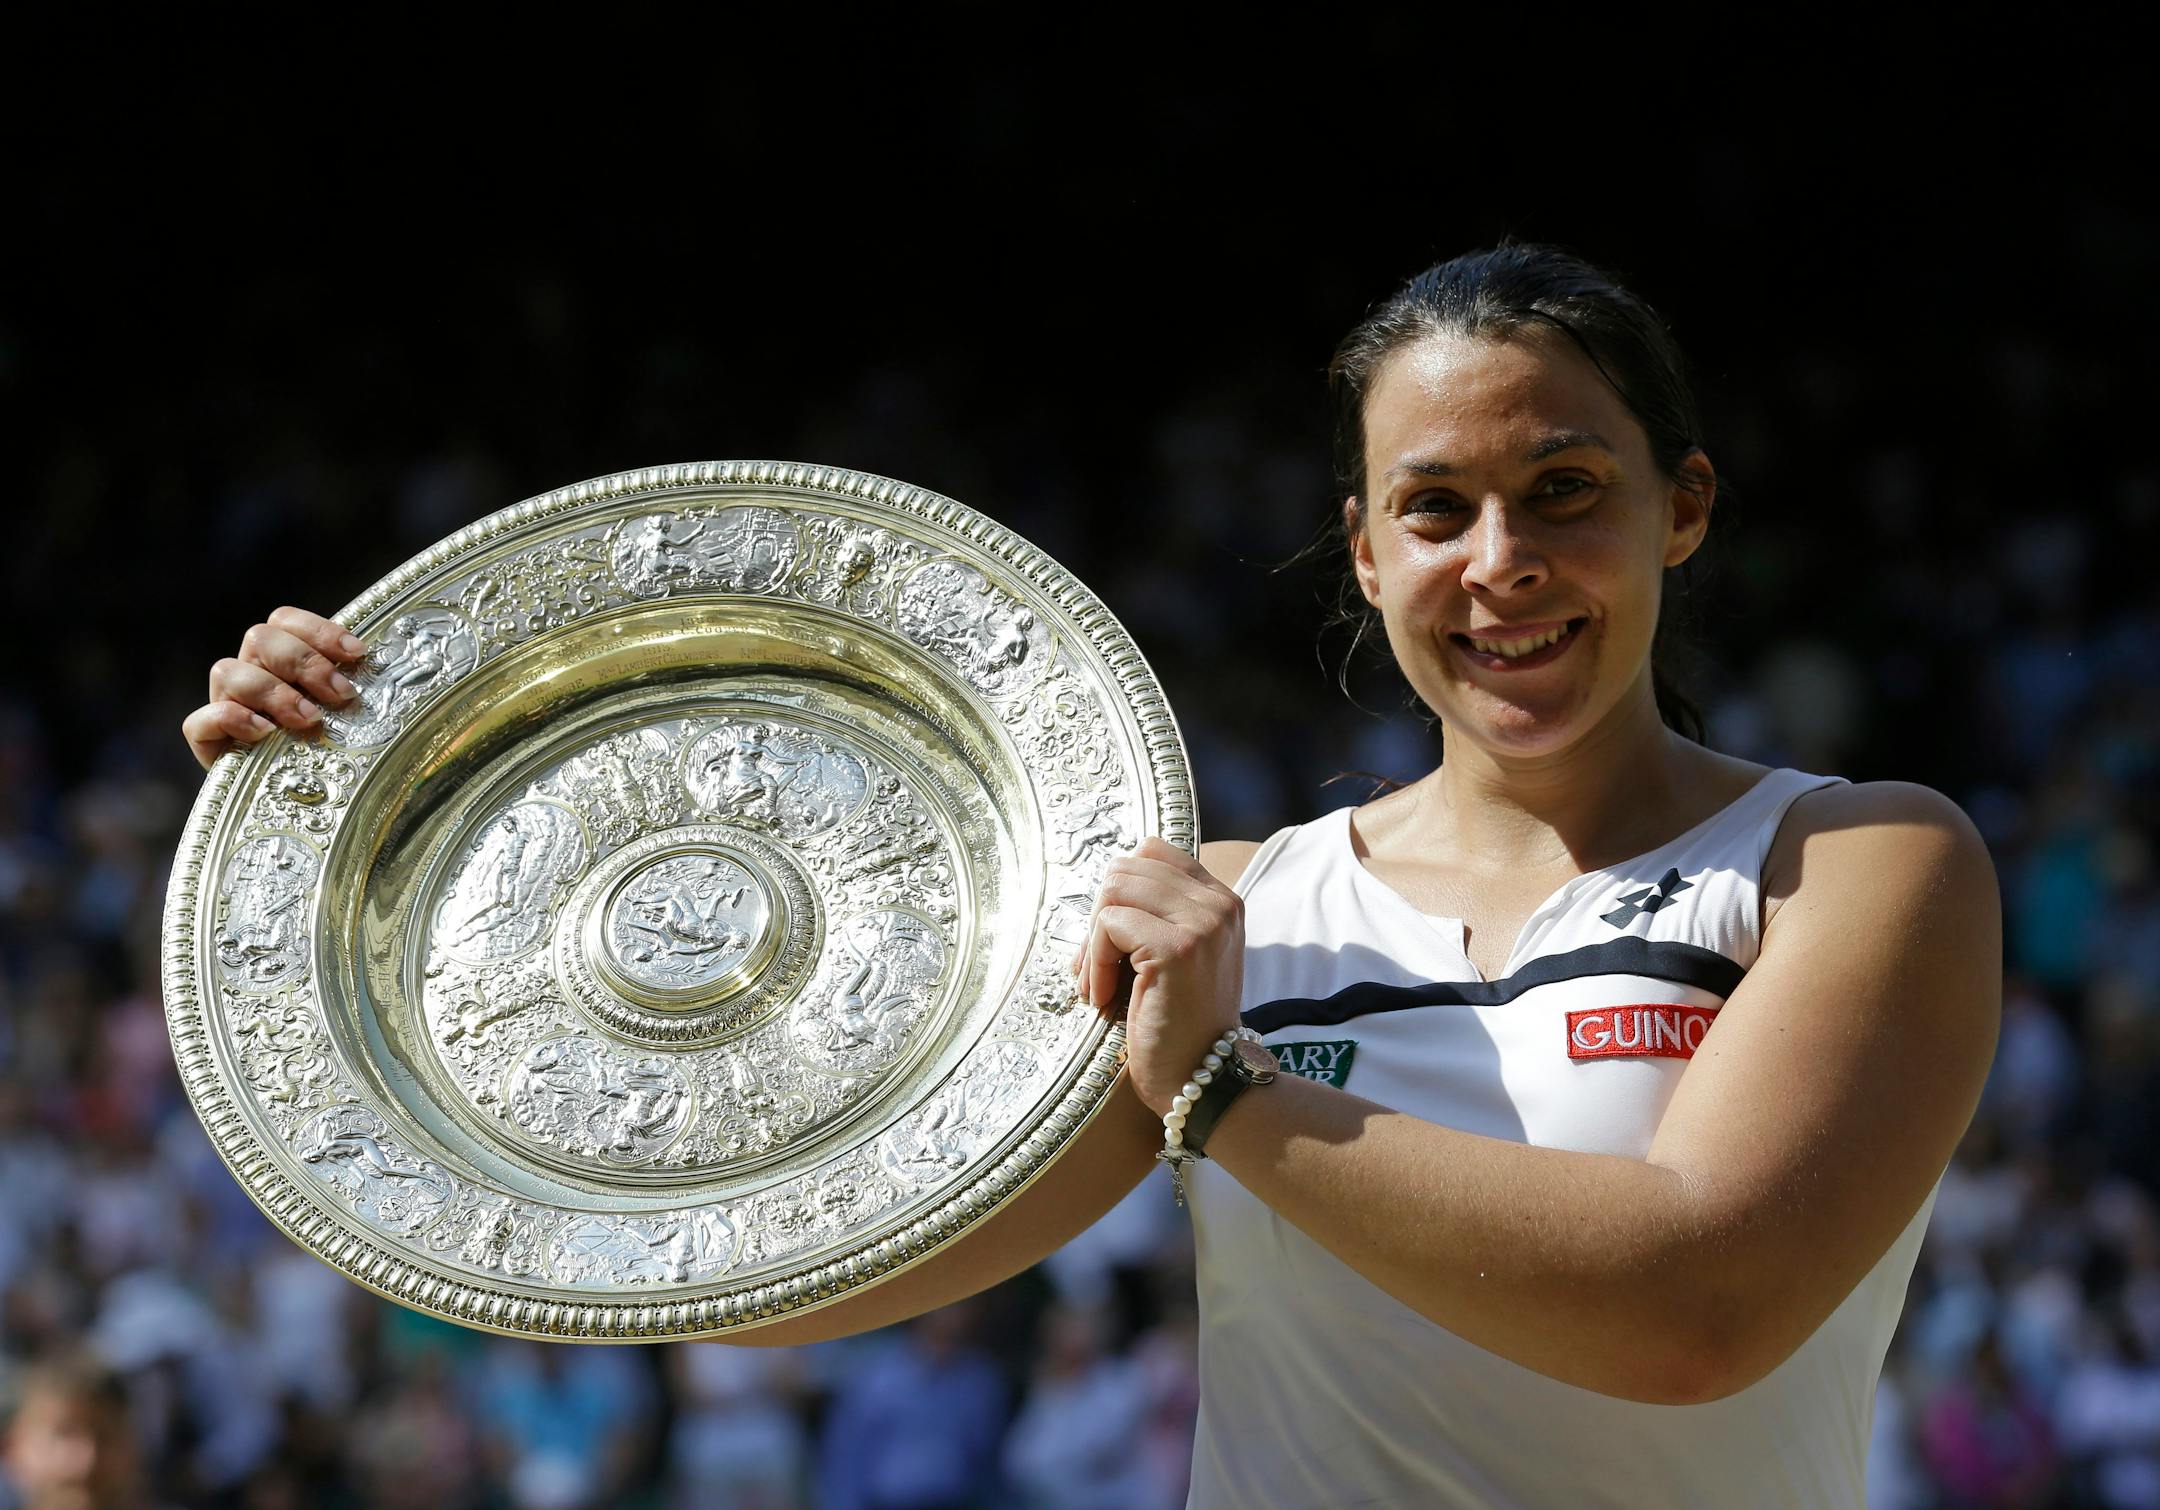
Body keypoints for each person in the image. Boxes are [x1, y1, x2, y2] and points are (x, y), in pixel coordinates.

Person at [183, 243, 2002, 1507]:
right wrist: (352, 842)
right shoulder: (1223, 912)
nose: (1501, 558)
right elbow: (770, 1250)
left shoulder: (1854, 860)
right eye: (1437, 507)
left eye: (1567, 487)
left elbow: (1699, 1311)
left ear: (1684, 506)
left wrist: (1220, 1092)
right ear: (1364, 556)